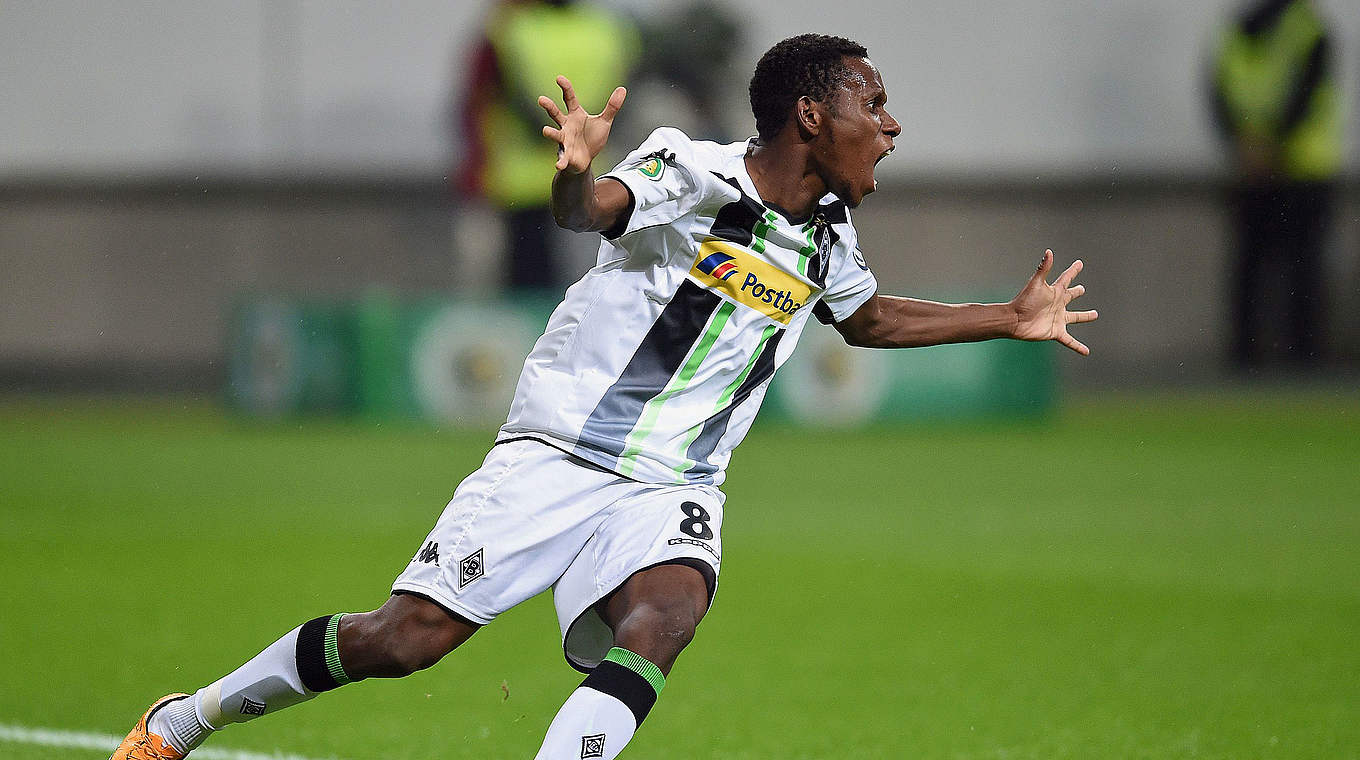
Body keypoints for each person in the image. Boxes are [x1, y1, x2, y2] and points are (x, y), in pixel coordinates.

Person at [112, 34, 1096, 760]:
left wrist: (1007, 317)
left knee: (665, 616)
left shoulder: (829, 236)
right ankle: (185, 720)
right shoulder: (694, 171)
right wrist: (575, 176)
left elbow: (867, 318)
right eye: (872, 103)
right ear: (809, 115)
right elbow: (592, 212)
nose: (890, 124)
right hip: (562, 451)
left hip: (676, 481)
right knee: (403, 641)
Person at [455, 0, 637, 291]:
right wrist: (580, 138)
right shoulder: (607, 30)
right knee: (586, 282)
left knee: (528, 287)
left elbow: (498, 99)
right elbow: (621, 99)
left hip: (523, 181)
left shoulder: (513, 29)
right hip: (589, 178)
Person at [1209, 0, 1342, 368]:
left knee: (1259, 266)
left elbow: (1219, 94)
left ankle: (1251, 357)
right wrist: (1264, 147)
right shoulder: (1308, 28)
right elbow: (1306, 94)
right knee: (1294, 267)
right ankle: (1301, 359)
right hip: (1303, 168)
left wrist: (1248, 146)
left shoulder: (1239, 30)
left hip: (1276, 168)